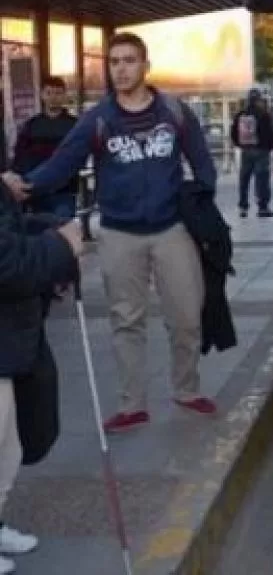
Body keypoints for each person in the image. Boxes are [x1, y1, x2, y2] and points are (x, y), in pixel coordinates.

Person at [1, 31, 219, 434]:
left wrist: (202, 198)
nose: (120, 69)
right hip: (119, 233)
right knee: (126, 321)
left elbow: (202, 161)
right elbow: (63, 163)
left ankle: (186, 390)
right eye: (114, 62)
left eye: (129, 60)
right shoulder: (98, 119)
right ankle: (132, 403)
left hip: (171, 229)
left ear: (145, 66)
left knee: (187, 315)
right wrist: (21, 187)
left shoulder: (173, 111)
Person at [0, 173, 84, 573]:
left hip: (11, 339)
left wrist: (47, 227)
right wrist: (60, 246)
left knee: (9, 445)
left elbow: (10, 232)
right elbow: (9, 265)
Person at [12, 76, 79, 219]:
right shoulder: (31, 125)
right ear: (42, 95)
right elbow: (20, 157)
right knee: (40, 234)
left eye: (58, 93)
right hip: (37, 192)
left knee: (62, 234)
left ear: (64, 95)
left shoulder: (75, 125)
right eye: (49, 93)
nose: (53, 97)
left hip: (64, 192)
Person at [230, 89, 273, 218]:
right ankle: (262, 207)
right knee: (261, 180)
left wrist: (240, 145)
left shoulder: (240, 114)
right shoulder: (264, 114)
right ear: (258, 100)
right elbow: (270, 134)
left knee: (244, 179)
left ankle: (243, 207)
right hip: (261, 151)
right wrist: (271, 146)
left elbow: (233, 133)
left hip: (246, 151)